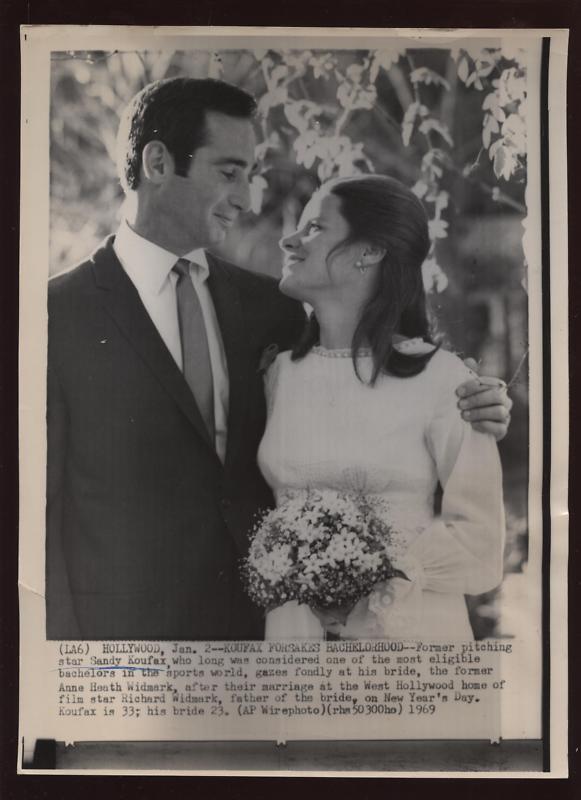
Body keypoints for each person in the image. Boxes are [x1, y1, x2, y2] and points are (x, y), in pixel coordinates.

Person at [47, 77, 511, 641]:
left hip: (262, 641)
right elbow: (33, 520)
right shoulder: (52, 315)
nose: (247, 198)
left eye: (250, 174)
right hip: (124, 649)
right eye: (229, 171)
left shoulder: (271, 309)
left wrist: (485, 403)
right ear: (159, 162)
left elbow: (372, 382)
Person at [259, 175, 506, 640]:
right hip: (295, 640)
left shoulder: (445, 379)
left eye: (314, 228)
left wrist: (369, 573)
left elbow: (481, 542)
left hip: (406, 634)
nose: (287, 239)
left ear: (369, 252)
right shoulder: (277, 376)